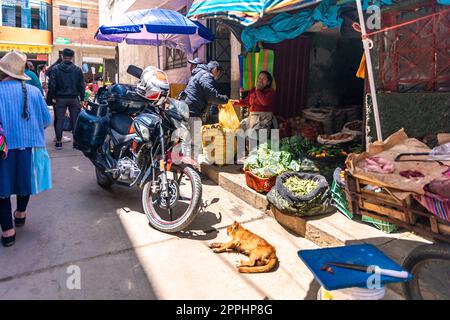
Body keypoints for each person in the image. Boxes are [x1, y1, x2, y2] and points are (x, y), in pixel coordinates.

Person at [0, 50, 52, 247]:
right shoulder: (34, 92)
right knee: (25, 184)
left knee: (2, 191)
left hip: (3, 150)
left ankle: (8, 233)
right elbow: (47, 120)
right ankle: (20, 215)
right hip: (31, 148)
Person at [179, 60, 229, 159]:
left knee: (186, 141)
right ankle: (191, 168)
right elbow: (212, 96)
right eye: (218, 72)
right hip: (192, 112)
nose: (217, 76)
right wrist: (225, 99)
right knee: (194, 143)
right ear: (214, 69)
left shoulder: (197, 74)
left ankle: (186, 167)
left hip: (185, 110)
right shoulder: (206, 76)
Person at [48, 48, 85, 150]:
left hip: (60, 98)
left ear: (62, 57)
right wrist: (82, 98)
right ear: (72, 58)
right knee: (75, 121)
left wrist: (53, 97)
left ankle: (59, 143)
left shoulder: (56, 69)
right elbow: (81, 85)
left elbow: (52, 85)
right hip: (74, 98)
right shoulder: (77, 70)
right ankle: (75, 143)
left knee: (59, 120)